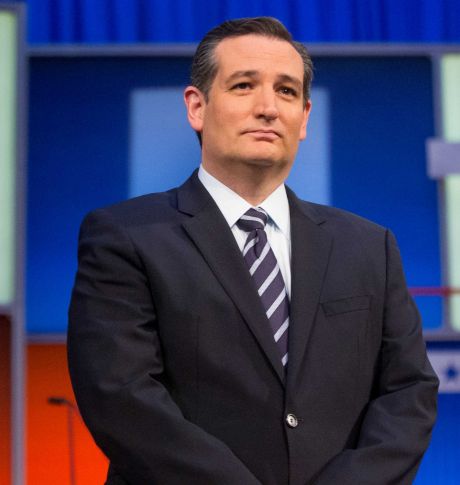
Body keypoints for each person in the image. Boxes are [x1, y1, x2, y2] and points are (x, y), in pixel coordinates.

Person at [68, 16, 438, 485]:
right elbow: (121, 397)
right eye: (244, 86)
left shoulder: (369, 246)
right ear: (196, 107)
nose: (268, 107)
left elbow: (408, 391)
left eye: (286, 92)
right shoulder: (125, 236)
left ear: (304, 118)